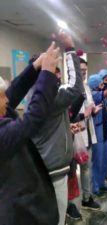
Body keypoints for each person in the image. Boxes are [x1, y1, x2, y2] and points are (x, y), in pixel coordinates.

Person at [0, 42, 61, 225]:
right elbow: (33, 118)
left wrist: (35, 67)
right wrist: (47, 75)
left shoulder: (2, 111)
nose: (7, 99)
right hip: (20, 213)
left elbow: (14, 91)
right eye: (1, 96)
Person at [31, 31, 84, 225]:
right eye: (54, 69)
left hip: (46, 169)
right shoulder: (49, 97)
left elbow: (48, 127)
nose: (58, 74)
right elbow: (76, 86)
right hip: (53, 173)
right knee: (57, 220)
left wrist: (67, 130)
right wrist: (70, 48)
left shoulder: (37, 95)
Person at [66, 58, 101, 220]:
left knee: (86, 169)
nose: (84, 73)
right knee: (71, 173)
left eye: (86, 70)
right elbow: (66, 116)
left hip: (86, 133)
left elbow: (90, 106)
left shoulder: (86, 88)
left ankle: (87, 199)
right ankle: (69, 204)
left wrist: (94, 110)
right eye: (81, 70)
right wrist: (83, 114)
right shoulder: (65, 90)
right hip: (72, 137)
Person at [88, 66, 107, 195]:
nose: (103, 82)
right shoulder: (95, 95)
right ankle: (95, 188)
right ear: (95, 85)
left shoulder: (100, 93)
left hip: (105, 129)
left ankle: (101, 184)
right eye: (102, 80)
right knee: (97, 160)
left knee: (104, 159)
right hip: (98, 132)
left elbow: (106, 107)